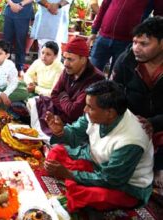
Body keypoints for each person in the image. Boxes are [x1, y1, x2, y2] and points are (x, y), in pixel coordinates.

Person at [44, 80, 154, 212]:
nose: (85, 110)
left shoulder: (131, 140)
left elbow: (110, 180)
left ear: (110, 113)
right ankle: (77, 181)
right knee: (56, 153)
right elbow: (75, 133)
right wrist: (61, 131)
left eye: (90, 107)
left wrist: (69, 174)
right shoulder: (97, 114)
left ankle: (77, 185)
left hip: (126, 185)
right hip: (94, 160)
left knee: (89, 195)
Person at [111, 16, 163, 193]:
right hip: (131, 118)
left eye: (144, 44)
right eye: (134, 42)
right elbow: (113, 91)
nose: (136, 48)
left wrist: (154, 123)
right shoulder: (126, 60)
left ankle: (159, 167)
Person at [27, 37, 104, 135]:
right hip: (61, 112)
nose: (66, 63)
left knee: (50, 131)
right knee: (34, 102)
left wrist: (63, 95)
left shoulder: (95, 79)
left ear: (83, 60)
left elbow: (75, 112)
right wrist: (67, 103)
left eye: (70, 59)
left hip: (77, 122)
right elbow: (54, 94)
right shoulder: (68, 70)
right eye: (65, 58)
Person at [87, 0, 163, 75]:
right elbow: (104, 7)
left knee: (116, 76)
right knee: (91, 72)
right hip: (103, 37)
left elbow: (159, 16)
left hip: (127, 42)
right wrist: (94, 30)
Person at [3, 0, 34, 75]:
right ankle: (5, 66)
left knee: (21, 41)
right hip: (10, 11)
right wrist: (11, 4)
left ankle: (20, 67)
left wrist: (20, 4)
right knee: (6, 41)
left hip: (24, 11)